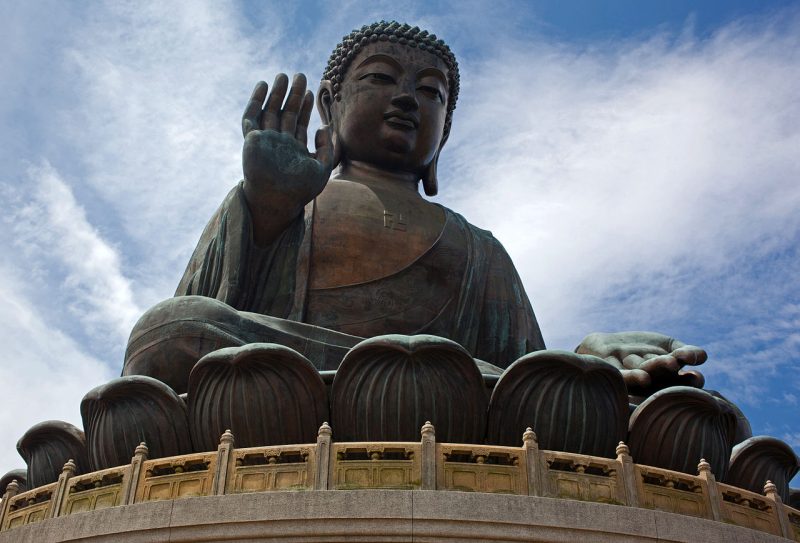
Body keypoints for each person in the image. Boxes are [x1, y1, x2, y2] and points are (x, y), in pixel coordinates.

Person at [123, 21, 705, 397]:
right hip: (289, 384)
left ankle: (411, 379)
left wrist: (587, 364)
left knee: (692, 406)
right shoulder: (287, 200)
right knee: (168, 330)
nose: (406, 98)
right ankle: (405, 379)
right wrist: (267, 208)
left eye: (431, 92)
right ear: (330, 103)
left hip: (448, 392)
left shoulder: (477, 246)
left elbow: (528, 370)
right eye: (381, 78)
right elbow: (194, 325)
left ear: (444, 132)